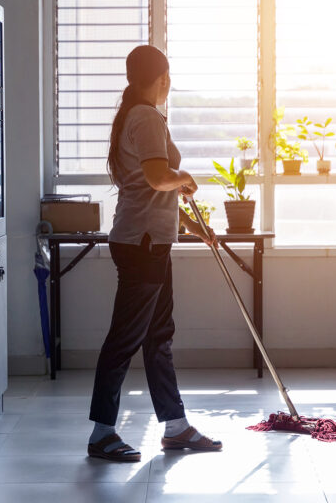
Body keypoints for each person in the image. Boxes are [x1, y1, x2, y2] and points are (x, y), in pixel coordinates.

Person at [87, 45, 222, 462]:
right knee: (125, 338)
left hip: (149, 242)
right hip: (142, 246)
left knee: (159, 336)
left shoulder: (140, 114)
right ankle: (102, 433)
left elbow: (151, 193)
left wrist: (193, 227)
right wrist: (185, 176)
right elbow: (159, 178)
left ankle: (176, 427)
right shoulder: (145, 116)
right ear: (162, 78)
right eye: (169, 78)